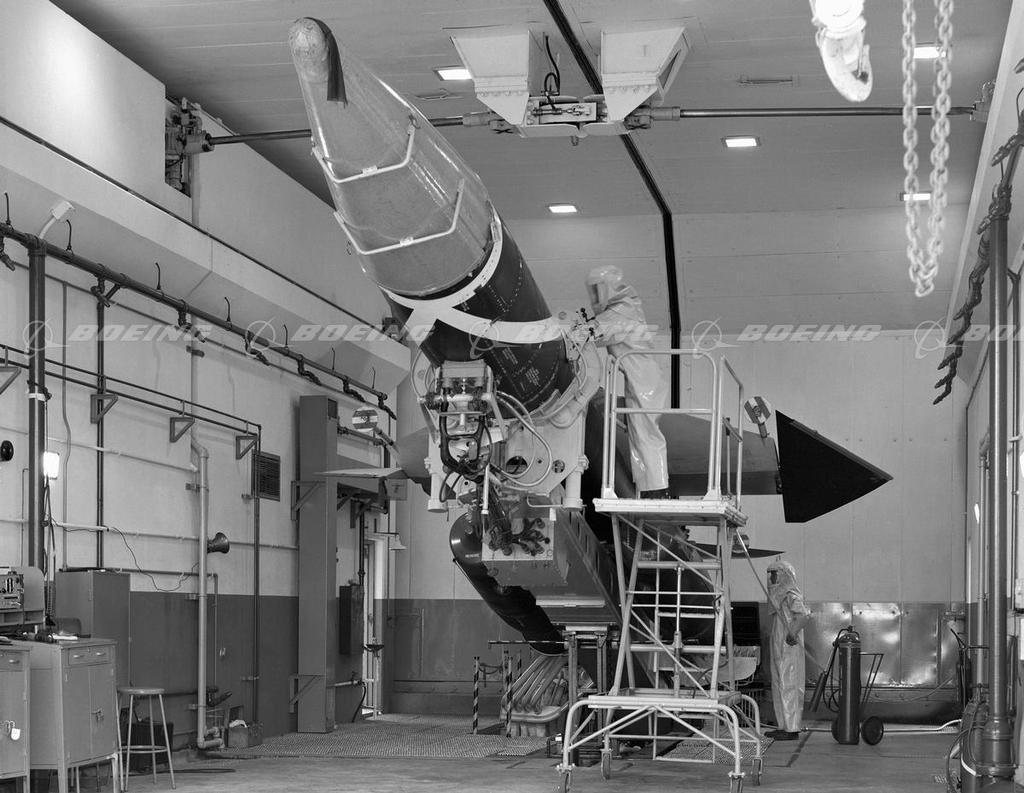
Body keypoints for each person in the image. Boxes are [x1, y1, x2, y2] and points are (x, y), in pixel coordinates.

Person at [585, 265, 668, 497]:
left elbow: (590, 333)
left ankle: (657, 490)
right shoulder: (624, 308)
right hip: (640, 378)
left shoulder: (622, 311)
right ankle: (650, 489)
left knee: (646, 435)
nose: (594, 296)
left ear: (609, 287)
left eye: (597, 290)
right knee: (641, 435)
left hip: (644, 380)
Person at [766, 559, 811, 740]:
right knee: (779, 685)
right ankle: (783, 725)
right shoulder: (779, 598)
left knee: (789, 684)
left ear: (784, 575)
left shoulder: (791, 595)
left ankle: (792, 728)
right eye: (771, 574)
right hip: (779, 645)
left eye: (775, 574)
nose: (772, 579)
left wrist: (792, 632)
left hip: (789, 647)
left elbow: (803, 615)